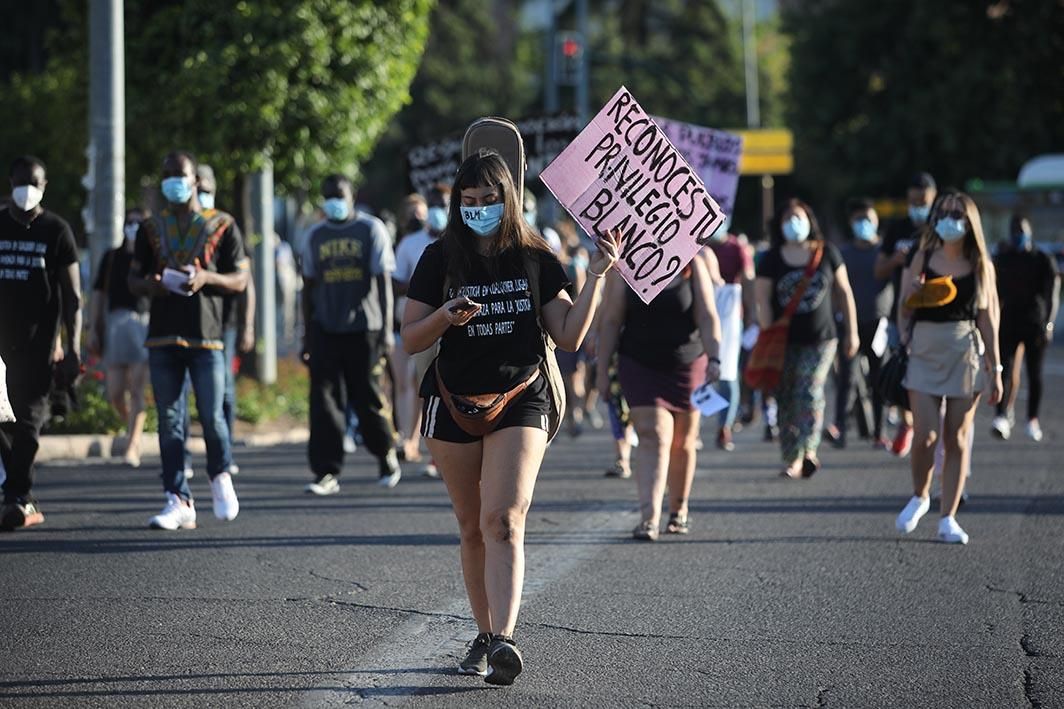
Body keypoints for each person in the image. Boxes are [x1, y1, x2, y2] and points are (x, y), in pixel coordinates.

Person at [401, 149, 620, 685]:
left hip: (521, 396)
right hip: (453, 400)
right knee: (472, 525)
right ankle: (483, 632)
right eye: (468, 201)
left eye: (488, 200)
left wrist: (596, 274)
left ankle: (505, 640)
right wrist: (444, 318)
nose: (478, 209)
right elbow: (409, 338)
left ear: (509, 200)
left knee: (505, 519)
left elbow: (567, 336)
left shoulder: (535, 256)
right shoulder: (439, 258)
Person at [128, 151, 249, 530]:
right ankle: (177, 498)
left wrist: (206, 279)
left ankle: (219, 475)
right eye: (166, 175)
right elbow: (132, 280)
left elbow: (241, 280)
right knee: (169, 421)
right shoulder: (150, 228)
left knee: (212, 417)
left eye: (178, 175)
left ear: (195, 179)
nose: (172, 182)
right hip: (163, 336)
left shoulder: (224, 224)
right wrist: (152, 285)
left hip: (207, 338)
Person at [894, 191, 1001, 544]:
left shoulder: (981, 264)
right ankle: (920, 494)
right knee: (925, 434)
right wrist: (912, 304)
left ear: (970, 221)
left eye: (958, 213)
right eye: (944, 212)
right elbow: (903, 306)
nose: (950, 219)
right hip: (924, 349)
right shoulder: (922, 256)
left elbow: (988, 318)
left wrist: (995, 368)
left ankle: (948, 517)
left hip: (963, 352)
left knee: (956, 437)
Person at [596, 246, 722, 540]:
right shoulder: (623, 266)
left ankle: (679, 511)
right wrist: (602, 370)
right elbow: (612, 321)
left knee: (684, 442)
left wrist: (715, 358)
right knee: (653, 434)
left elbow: (707, 316)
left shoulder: (693, 261)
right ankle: (649, 517)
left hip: (688, 364)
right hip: (639, 363)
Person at [301, 174, 401, 495]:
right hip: (326, 329)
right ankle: (326, 472)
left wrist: (386, 331)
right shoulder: (314, 235)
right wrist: (307, 336)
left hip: (364, 328)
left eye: (339, 195)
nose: (334, 201)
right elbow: (308, 287)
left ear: (352, 195)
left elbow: (383, 282)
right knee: (324, 402)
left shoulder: (370, 229)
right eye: (328, 196)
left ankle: (385, 453)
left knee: (366, 397)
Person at [0, 155, 82, 531]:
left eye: (34, 184)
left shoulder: (56, 230)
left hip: (40, 346)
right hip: (0, 346)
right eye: (21, 182)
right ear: (10, 182)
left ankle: (18, 495)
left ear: (44, 187)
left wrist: (73, 344)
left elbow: (73, 295)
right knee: (2, 420)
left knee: (30, 421)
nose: (26, 190)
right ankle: (17, 494)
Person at [755, 198, 859, 479]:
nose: (793, 223)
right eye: (787, 218)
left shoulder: (827, 254)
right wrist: (765, 328)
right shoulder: (771, 258)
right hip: (782, 341)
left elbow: (844, 292)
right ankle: (792, 458)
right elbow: (762, 297)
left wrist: (852, 332)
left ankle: (809, 450)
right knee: (786, 397)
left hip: (821, 339)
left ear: (809, 221)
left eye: (798, 217)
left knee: (810, 390)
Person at [875, 172, 937, 457]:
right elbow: (879, 270)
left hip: (936, 310)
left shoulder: (941, 229)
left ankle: (930, 424)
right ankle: (906, 421)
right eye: (913, 202)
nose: (917, 207)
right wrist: (895, 261)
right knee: (902, 368)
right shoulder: (897, 228)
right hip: (902, 308)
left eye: (923, 202)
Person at [198, 164, 254, 475]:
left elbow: (247, 282)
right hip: (193, 323)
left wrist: (248, 325)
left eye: (206, 188)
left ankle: (225, 453)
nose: (201, 193)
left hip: (225, 323)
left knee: (224, 389)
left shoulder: (227, 227)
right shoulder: (182, 227)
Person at [89, 207, 151, 468]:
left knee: (137, 389)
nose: (133, 227)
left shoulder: (151, 257)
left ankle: (133, 444)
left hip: (142, 324)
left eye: (139, 223)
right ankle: (131, 427)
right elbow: (98, 294)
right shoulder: (112, 257)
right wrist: (94, 327)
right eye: (130, 222)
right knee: (115, 392)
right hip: (115, 324)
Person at [830, 199, 893, 449]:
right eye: (858, 220)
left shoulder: (885, 253)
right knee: (847, 379)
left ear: (877, 221)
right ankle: (840, 429)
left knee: (880, 380)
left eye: (868, 219)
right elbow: (836, 290)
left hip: (879, 324)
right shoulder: (843, 253)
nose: (863, 225)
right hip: (850, 325)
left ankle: (880, 431)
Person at [990, 213, 1059, 442]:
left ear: (1030, 231)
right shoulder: (1003, 258)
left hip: (1034, 324)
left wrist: (1048, 323)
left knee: (1034, 373)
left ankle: (1032, 419)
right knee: (1005, 370)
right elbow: (993, 294)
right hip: (1008, 323)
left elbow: (1052, 294)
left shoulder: (1041, 259)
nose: (1018, 234)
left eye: (1022, 230)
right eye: (1015, 230)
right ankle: (1001, 415)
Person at [707, 221, 755, 451]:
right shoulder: (699, 246)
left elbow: (748, 279)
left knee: (727, 374)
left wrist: (752, 314)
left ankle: (723, 427)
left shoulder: (736, 247)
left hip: (729, 318)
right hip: (700, 314)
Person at [392, 192, 431, 463]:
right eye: (411, 214)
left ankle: (424, 444)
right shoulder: (406, 243)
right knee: (405, 382)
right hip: (404, 321)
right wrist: (421, 286)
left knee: (423, 384)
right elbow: (394, 282)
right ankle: (408, 438)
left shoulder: (450, 239)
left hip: (437, 324)